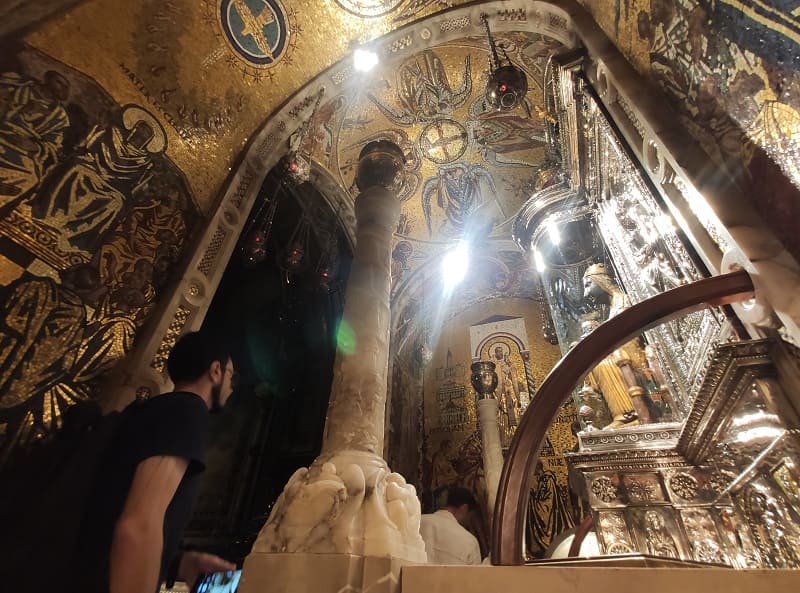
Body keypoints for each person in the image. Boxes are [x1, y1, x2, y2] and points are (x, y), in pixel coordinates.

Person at [75, 331, 237, 593]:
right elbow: (136, 526)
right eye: (231, 375)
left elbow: (107, 514)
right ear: (215, 371)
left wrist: (180, 563)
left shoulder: (146, 412)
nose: (232, 386)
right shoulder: (187, 411)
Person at [419, 486, 481, 565]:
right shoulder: (470, 541)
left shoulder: (418, 522)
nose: (469, 522)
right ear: (464, 508)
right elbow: (475, 576)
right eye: (470, 516)